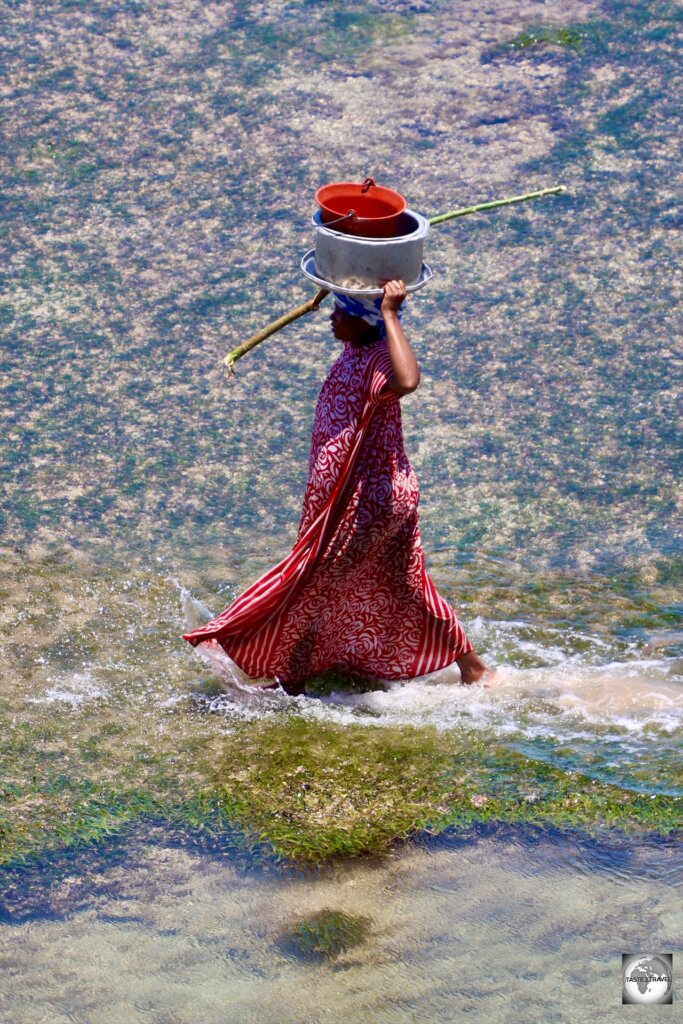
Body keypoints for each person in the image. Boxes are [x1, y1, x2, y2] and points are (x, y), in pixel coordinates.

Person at [183, 279, 494, 694]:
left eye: (342, 311)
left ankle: (291, 679)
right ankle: (471, 667)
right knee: (400, 580)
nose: (332, 317)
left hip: (366, 500)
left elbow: (408, 381)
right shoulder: (356, 350)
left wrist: (388, 313)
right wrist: (334, 286)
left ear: (364, 323)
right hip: (358, 497)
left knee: (314, 580)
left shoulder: (378, 358)